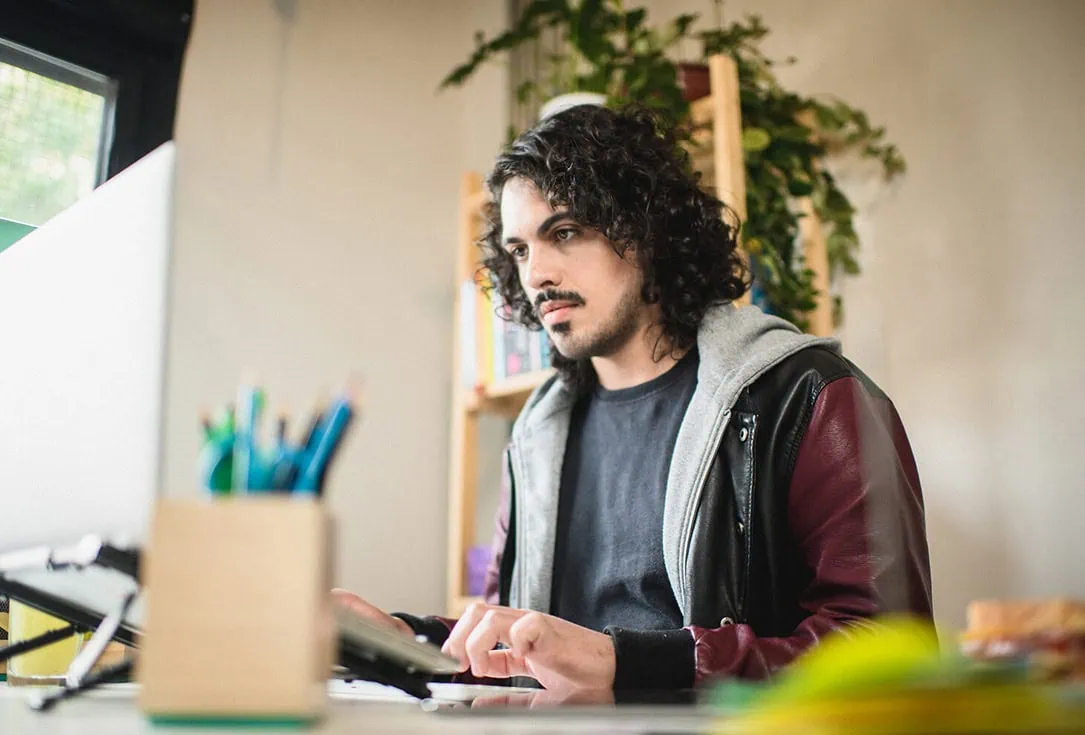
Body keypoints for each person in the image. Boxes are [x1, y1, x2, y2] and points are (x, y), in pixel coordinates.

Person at [335, 104, 932, 694]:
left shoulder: (810, 397)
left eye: (564, 232)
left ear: (649, 232)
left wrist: (634, 664)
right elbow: (518, 644)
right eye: (518, 250)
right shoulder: (539, 433)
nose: (536, 272)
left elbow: (891, 652)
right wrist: (401, 640)